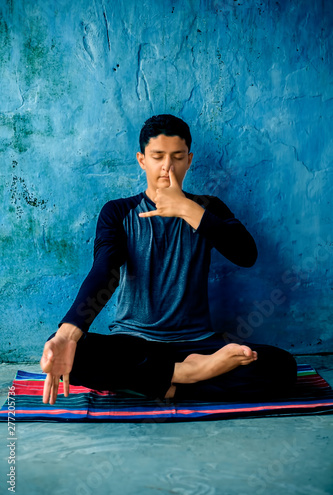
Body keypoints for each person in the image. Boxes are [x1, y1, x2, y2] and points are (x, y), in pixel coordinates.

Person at [40, 114, 297, 405]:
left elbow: (246, 255)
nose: (167, 167)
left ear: (188, 160)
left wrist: (188, 210)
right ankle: (186, 375)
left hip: (198, 343)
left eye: (176, 157)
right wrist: (68, 333)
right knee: (67, 349)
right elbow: (105, 269)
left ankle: (159, 382)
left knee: (282, 367)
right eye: (157, 156)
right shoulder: (117, 212)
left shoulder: (209, 208)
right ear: (142, 160)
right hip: (135, 347)